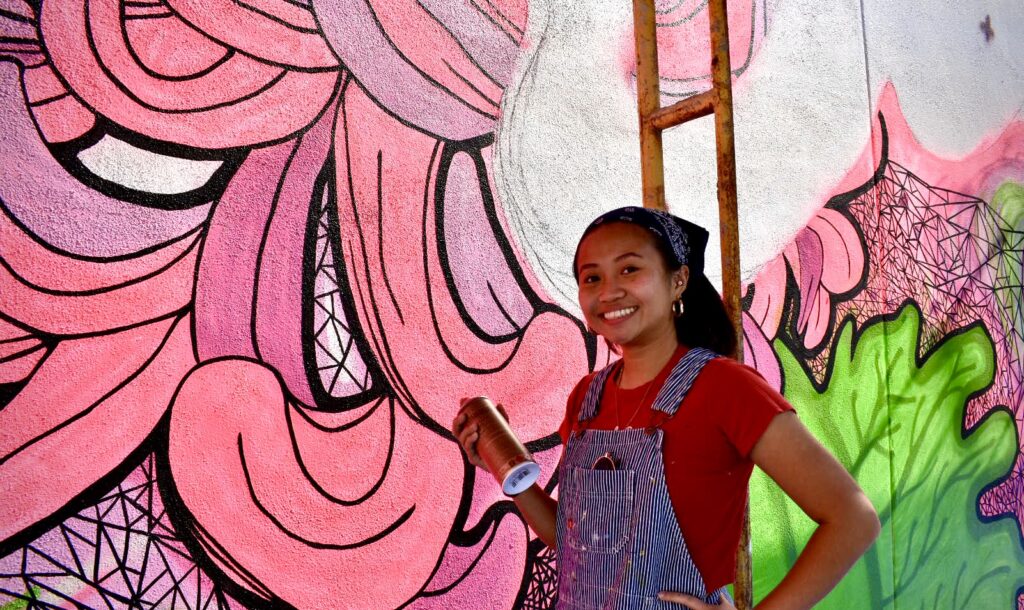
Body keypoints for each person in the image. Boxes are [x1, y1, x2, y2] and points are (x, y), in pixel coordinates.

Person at [452, 206, 880, 609]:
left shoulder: (725, 387)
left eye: (630, 269)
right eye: (591, 278)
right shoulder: (587, 397)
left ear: (678, 281)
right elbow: (575, 544)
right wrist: (509, 471)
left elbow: (852, 519)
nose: (609, 291)